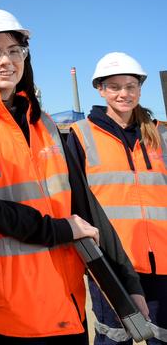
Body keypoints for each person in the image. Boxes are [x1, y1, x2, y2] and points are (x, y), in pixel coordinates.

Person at [0, 8, 148, 344]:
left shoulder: (46, 124)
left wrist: (127, 281)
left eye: (14, 51)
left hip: (66, 306)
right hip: (5, 312)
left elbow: (85, 205)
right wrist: (59, 229)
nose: (6, 61)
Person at [68, 52, 167, 344]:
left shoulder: (160, 134)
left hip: (162, 262)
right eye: (114, 86)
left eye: (131, 86)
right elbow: (78, 201)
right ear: (100, 89)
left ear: (140, 88)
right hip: (111, 261)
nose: (124, 93)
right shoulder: (81, 134)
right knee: (114, 337)